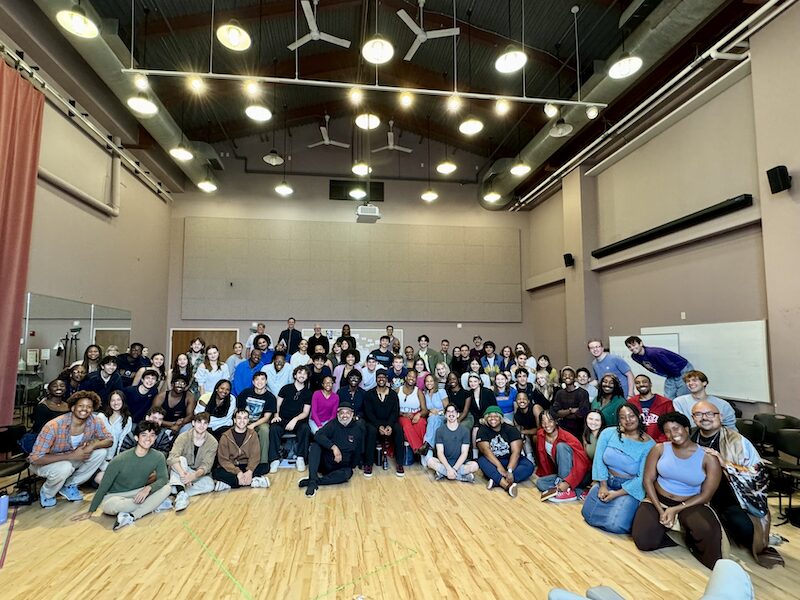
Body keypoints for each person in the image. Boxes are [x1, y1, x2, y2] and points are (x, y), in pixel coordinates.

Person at [689, 400, 784, 568]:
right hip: (698, 495)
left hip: (732, 499)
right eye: (699, 414)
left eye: (710, 413)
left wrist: (726, 463)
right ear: (693, 418)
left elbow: (758, 473)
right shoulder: (690, 437)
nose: (705, 418)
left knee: (747, 533)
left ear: (721, 416)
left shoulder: (737, 442)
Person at [631, 412, 723, 569]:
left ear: (686, 428)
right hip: (658, 499)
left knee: (708, 534)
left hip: (690, 502)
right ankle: (669, 534)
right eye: (667, 431)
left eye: (676, 428)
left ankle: (687, 536)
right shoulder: (659, 449)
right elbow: (648, 480)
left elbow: (706, 495)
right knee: (643, 541)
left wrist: (676, 509)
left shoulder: (708, 458)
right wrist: (661, 510)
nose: (673, 434)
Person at [71, 420, 171, 530]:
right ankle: (153, 504)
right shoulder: (120, 460)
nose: (148, 438)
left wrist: (148, 488)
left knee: (167, 488)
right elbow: (103, 487)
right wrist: (90, 511)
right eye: (144, 435)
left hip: (137, 492)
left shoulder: (158, 456)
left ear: (155, 438)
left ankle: (132, 516)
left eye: (152, 435)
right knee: (111, 507)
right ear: (136, 438)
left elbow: (163, 479)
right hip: (114, 497)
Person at [29, 391, 112, 508]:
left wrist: (93, 445)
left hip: (72, 457)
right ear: (73, 408)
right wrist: (71, 456)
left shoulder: (94, 421)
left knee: (100, 452)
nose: (85, 409)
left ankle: (69, 485)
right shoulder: (53, 426)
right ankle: (47, 493)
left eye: (89, 407)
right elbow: (35, 459)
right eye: (81, 406)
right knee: (65, 467)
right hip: (44, 463)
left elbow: (109, 440)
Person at [581, 403, 655, 533]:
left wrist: (616, 494)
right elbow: (599, 460)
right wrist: (603, 485)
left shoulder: (649, 445)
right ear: (618, 420)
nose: (628, 420)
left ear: (639, 417)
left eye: (631, 416)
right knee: (588, 515)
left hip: (628, 488)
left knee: (616, 525)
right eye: (623, 417)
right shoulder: (608, 433)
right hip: (606, 481)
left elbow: (642, 477)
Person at [298, 401, 364, 497]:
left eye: (347, 412)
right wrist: (334, 447)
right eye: (342, 413)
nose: (344, 415)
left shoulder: (357, 428)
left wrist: (353, 465)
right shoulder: (332, 424)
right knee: (316, 445)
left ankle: (314, 481)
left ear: (352, 414)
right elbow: (317, 435)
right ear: (338, 414)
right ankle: (312, 482)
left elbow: (358, 450)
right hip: (326, 463)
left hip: (342, 466)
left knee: (348, 474)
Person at [476, 406, 535, 497]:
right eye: (490, 416)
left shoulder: (510, 429)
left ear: (500, 417)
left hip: (509, 459)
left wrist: (510, 470)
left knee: (529, 466)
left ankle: (497, 481)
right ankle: (507, 486)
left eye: (496, 416)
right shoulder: (482, 430)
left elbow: (516, 452)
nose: (493, 419)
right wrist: (499, 466)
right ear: (486, 418)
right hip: (492, 460)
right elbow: (485, 450)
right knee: (482, 461)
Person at [536, 410, 591, 503]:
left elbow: (582, 464)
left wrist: (567, 482)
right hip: (562, 473)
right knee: (540, 483)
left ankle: (567, 488)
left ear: (556, 421)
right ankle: (575, 491)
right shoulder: (541, 434)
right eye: (543, 422)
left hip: (581, 474)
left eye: (550, 421)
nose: (547, 425)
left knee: (561, 446)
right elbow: (544, 459)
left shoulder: (567, 437)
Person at [167, 411, 218, 511]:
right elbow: (172, 457)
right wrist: (183, 475)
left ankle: (176, 489)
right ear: (193, 423)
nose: (201, 426)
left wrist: (193, 476)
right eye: (199, 422)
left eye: (205, 423)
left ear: (208, 425)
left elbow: (206, 466)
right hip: (180, 470)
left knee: (210, 484)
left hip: (195, 473)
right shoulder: (183, 437)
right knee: (181, 459)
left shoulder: (213, 442)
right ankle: (181, 494)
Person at [212, 409, 271, 491]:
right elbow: (223, 460)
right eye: (239, 418)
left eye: (245, 418)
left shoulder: (253, 434)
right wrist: (238, 472)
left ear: (248, 420)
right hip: (232, 467)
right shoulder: (225, 436)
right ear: (235, 420)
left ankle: (231, 483)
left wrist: (250, 471)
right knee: (216, 472)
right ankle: (252, 481)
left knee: (265, 466)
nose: (242, 421)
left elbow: (255, 456)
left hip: (247, 465)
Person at [268, 365, 312, 473]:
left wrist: (295, 420)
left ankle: (300, 457)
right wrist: (276, 415)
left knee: (305, 428)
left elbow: (305, 412)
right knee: (274, 428)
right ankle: (274, 459)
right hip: (282, 418)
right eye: (300, 373)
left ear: (307, 377)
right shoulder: (286, 388)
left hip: (298, 421)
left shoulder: (308, 393)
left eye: (305, 374)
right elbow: (277, 405)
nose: (302, 375)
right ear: (295, 375)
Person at [362, 369, 406, 478]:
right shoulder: (369, 394)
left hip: (389, 422)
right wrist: (379, 426)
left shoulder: (393, 394)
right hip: (374, 422)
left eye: (384, 377)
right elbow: (368, 413)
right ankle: (368, 464)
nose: (381, 379)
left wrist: (389, 425)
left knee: (399, 429)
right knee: (371, 431)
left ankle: (400, 463)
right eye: (379, 377)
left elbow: (395, 411)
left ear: (387, 379)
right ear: (376, 379)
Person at [625, 335, 694, 398]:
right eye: (629, 347)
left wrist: (677, 380)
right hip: (670, 373)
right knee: (668, 397)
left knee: (682, 396)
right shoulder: (635, 357)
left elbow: (670, 365)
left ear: (641, 343)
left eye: (634, 345)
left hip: (681, 369)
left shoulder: (653, 353)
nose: (632, 348)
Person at [425, 404, 479, 482]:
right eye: (448, 412)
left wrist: (454, 468)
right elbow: (440, 452)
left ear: (457, 414)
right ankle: (460, 476)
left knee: (475, 466)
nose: (451, 414)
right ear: (445, 415)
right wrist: (448, 468)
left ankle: (443, 473)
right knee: (429, 461)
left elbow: (464, 453)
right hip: (444, 462)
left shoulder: (465, 431)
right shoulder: (440, 431)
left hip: (460, 463)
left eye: (453, 412)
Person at [673, 370, 737, 429]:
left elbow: (731, 427)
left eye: (694, 380)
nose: (690, 383)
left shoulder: (723, 404)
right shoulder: (679, 402)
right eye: (688, 381)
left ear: (704, 383)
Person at [237, 371, 277, 463]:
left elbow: (266, 417)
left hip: (260, 422)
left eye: (262, 379)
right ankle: (237, 460)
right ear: (253, 382)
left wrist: (253, 425)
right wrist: (241, 423)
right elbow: (238, 410)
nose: (260, 382)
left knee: (265, 430)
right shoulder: (245, 393)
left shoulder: (270, 397)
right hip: (243, 420)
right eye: (257, 379)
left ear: (266, 381)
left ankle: (263, 461)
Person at [94, 390, 133, 484]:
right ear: (109, 402)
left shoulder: (127, 419)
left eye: (118, 400)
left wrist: (118, 460)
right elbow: (94, 438)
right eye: (113, 400)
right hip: (98, 457)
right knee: (99, 480)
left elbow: (122, 442)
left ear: (123, 401)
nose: (116, 403)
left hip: (112, 460)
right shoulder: (101, 417)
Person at [629, 374, 674, 442]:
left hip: (661, 444)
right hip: (637, 444)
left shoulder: (666, 403)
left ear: (650, 384)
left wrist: (660, 442)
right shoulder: (630, 403)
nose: (641, 384)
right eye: (637, 383)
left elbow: (671, 425)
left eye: (644, 382)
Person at [550, 367, 590, 439]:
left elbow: (582, 413)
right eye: (564, 375)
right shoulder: (559, 393)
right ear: (562, 378)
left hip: (579, 429)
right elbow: (556, 413)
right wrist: (571, 410)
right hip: (563, 428)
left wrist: (563, 414)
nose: (567, 377)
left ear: (574, 377)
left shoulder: (583, 393)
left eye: (570, 375)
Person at [397, 370, 428, 454]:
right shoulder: (397, 390)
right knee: (406, 425)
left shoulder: (418, 391)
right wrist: (403, 414)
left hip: (416, 414)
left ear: (416, 379)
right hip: (402, 415)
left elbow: (425, 410)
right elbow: (392, 409)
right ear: (405, 378)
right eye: (410, 376)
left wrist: (419, 414)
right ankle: (419, 448)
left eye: (414, 377)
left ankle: (425, 449)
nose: (411, 378)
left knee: (421, 423)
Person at [421, 373, 447, 455]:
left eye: (431, 381)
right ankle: (431, 446)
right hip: (431, 417)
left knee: (434, 419)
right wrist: (430, 412)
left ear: (435, 382)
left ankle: (427, 444)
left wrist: (438, 412)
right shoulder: (424, 394)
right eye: (427, 381)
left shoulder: (441, 391)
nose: (429, 383)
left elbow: (448, 408)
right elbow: (425, 409)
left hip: (443, 416)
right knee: (433, 419)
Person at [513, 392, 537, 459]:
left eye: (524, 399)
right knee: (522, 436)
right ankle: (529, 457)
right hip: (528, 436)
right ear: (516, 402)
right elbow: (518, 431)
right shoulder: (516, 415)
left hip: (540, 434)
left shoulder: (535, 408)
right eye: (519, 399)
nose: (522, 401)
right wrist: (522, 433)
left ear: (528, 401)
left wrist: (523, 432)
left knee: (536, 437)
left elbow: (540, 429)